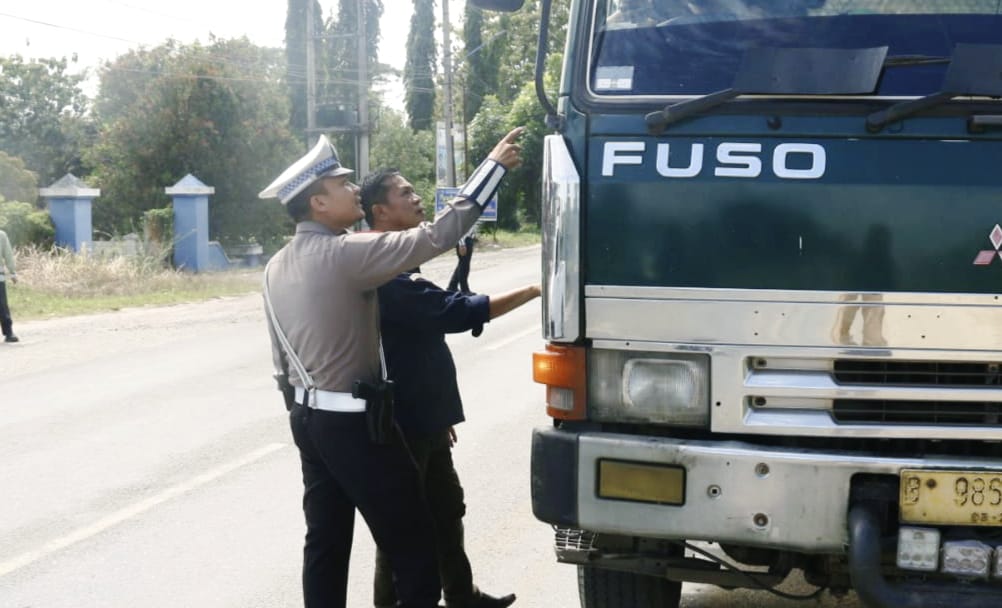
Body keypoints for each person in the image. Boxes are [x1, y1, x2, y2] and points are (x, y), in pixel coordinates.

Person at [260, 128, 524, 608]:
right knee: (414, 538)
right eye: (342, 185)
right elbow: (438, 234)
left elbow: (280, 359)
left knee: (326, 541)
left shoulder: (276, 264)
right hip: (353, 423)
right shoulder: (344, 253)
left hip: (307, 417)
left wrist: (306, 412)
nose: (353, 189)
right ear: (318, 203)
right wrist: (493, 168)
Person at [360, 168, 540, 608]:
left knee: (445, 509)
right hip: (404, 420)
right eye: (405, 193)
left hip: (426, 416)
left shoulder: (401, 263)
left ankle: (462, 595)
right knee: (402, 527)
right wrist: (534, 290)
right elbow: (451, 314)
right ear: (381, 212)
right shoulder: (383, 272)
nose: (417, 197)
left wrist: (439, 419)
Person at [0, 228, 19, 343]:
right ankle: (9, 333)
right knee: (2, 306)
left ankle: (9, 332)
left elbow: (8, 254)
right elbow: (8, 254)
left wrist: (13, 272)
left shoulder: (1, 235)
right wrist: (12, 273)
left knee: (2, 306)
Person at [447, 225, 477, 293]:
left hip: (468, 239)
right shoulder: (465, 214)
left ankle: (452, 286)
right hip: (464, 240)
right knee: (465, 266)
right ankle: (465, 290)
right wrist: (461, 243)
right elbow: (459, 227)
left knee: (462, 264)